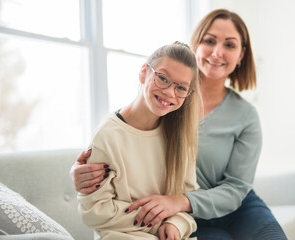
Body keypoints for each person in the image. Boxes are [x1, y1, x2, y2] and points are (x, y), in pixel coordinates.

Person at [71, 9, 288, 240]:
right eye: (210, 40)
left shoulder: (245, 115)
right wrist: (82, 171)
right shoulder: (165, 101)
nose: (217, 52)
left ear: (241, 54)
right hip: (181, 217)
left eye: (229, 45)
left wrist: (180, 202)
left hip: (228, 208)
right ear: (196, 44)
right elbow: (124, 135)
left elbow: (237, 188)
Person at [76, 42, 201, 240]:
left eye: (181, 88)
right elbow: (94, 212)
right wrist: (159, 220)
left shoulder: (179, 138)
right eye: (162, 78)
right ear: (144, 73)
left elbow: (188, 201)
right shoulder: (108, 135)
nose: (170, 92)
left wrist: (176, 223)